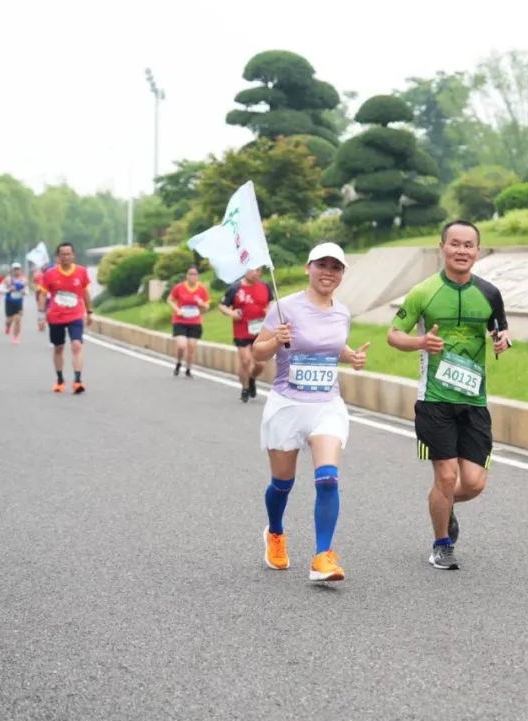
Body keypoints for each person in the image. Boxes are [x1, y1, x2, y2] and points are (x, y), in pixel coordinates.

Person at [387, 220, 512, 571]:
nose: (462, 251)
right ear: (442, 246)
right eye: (454, 244)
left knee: (472, 483)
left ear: (477, 250)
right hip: (435, 400)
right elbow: (394, 335)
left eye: (468, 245)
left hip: (474, 402)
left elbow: (500, 332)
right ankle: (442, 544)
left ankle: (443, 505)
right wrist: (420, 342)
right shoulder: (423, 292)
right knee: (445, 477)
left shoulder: (489, 293)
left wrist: (503, 341)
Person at [252, 242, 369, 583]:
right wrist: (275, 341)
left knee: (328, 477)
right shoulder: (284, 308)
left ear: (342, 275)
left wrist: (351, 357)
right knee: (282, 483)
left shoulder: (342, 313)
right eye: (322, 265)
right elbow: (257, 353)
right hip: (287, 404)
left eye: (336, 267)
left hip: (326, 406)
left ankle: (322, 557)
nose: (328, 272)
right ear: (309, 268)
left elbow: (331, 346)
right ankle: (275, 532)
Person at [36, 242, 93, 394]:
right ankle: (60, 380)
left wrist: (90, 311)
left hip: (75, 314)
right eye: (63, 254)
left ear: (73, 255)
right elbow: (42, 294)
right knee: (59, 347)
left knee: (76, 345)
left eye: (69, 254)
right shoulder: (50, 274)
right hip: (56, 316)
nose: (66, 257)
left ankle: (77, 380)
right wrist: (41, 315)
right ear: (58, 257)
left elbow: (86, 292)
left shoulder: (81, 272)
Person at [218, 266, 273, 402]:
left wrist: (268, 310)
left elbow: (270, 303)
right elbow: (222, 305)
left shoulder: (265, 286)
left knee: (260, 365)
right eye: (252, 270)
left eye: (258, 271)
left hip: (260, 331)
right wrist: (232, 313)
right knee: (245, 361)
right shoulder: (235, 288)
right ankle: (245, 388)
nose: (255, 273)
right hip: (242, 330)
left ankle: (252, 378)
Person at [166, 265, 210, 378]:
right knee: (182, 345)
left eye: (195, 274)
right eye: (190, 274)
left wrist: (202, 304)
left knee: (191, 347)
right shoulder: (179, 287)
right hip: (180, 321)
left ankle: (188, 369)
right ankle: (179, 362)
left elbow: (207, 307)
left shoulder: (202, 289)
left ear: (198, 276)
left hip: (195, 322)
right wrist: (177, 310)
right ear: (187, 275)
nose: (193, 276)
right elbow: (170, 300)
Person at [3, 262, 27, 344]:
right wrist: (9, 289)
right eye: (15, 269)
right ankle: (7, 326)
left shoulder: (24, 279)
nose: (16, 271)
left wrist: (24, 292)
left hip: (19, 302)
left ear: (20, 270)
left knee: (18, 319)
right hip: (9, 302)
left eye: (18, 269)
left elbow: (26, 290)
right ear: (12, 270)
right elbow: (2, 289)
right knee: (9, 320)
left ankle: (15, 337)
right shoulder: (8, 279)